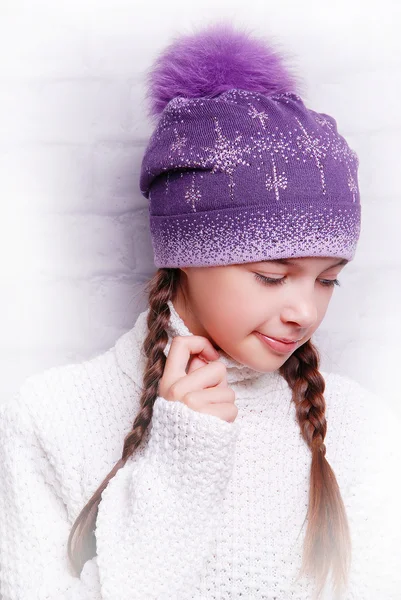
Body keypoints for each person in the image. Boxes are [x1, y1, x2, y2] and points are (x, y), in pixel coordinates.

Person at [0, 21, 400, 600]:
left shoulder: (363, 431)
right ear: (186, 254)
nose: (305, 312)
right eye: (271, 275)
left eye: (328, 280)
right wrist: (180, 469)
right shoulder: (51, 420)